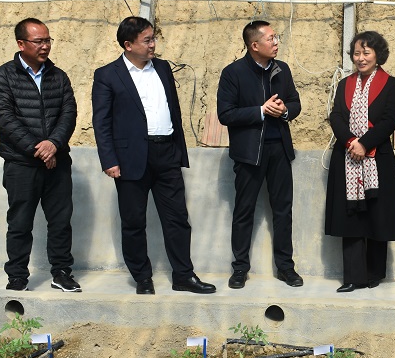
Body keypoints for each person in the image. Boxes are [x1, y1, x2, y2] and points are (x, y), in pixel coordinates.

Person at [92, 16, 215, 295]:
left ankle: (183, 275)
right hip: (130, 158)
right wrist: (109, 160)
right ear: (128, 45)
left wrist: (178, 149)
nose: (153, 45)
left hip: (166, 153)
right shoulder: (107, 75)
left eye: (153, 38)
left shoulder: (162, 67)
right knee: (134, 222)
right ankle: (142, 277)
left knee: (177, 219)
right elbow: (102, 121)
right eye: (147, 40)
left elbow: (173, 109)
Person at [0, 18, 80, 292]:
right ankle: (17, 277)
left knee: (60, 222)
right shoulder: (3, 76)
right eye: (39, 41)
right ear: (21, 44)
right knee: (20, 223)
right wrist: (39, 149)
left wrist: (54, 144)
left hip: (57, 162)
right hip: (22, 165)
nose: (45, 46)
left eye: (48, 40)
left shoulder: (58, 76)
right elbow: (5, 118)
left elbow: (69, 113)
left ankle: (61, 273)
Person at [217, 20, 303, 289]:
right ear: (254, 45)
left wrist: (285, 111)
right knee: (244, 211)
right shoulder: (233, 73)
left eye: (276, 38)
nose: (276, 43)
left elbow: (295, 102)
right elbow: (225, 114)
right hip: (249, 153)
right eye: (270, 38)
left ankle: (286, 268)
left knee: (283, 211)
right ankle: (240, 268)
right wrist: (261, 111)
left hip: (279, 150)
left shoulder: (282, 69)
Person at [325, 31, 395, 292]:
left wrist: (365, 143)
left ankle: (374, 274)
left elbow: (389, 121)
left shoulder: (391, 84)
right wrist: (352, 142)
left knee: (376, 215)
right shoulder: (345, 84)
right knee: (351, 216)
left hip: (377, 158)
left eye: (366, 53)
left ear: (378, 55)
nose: (360, 58)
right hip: (347, 157)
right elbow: (336, 116)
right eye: (356, 53)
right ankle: (353, 277)